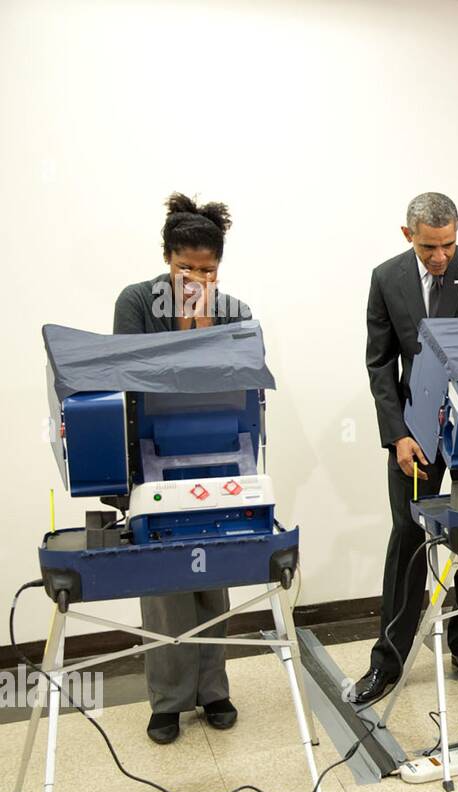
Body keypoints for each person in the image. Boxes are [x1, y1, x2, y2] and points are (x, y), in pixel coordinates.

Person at [353, 192, 458, 705]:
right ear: (407, 236)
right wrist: (397, 433)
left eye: (447, 244)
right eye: (428, 248)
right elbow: (380, 364)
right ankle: (389, 662)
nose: (440, 257)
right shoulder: (386, 278)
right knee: (407, 539)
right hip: (414, 432)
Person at [113, 192, 252, 744]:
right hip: (152, 454)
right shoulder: (135, 302)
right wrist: (187, 331)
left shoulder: (236, 311)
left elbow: (235, 382)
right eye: (185, 268)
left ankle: (213, 688)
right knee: (166, 581)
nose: (196, 279)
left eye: (208, 270)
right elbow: (133, 376)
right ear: (166, 258)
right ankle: (168, 700)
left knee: (212, 572)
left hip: (218, 452)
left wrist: (202, 326)